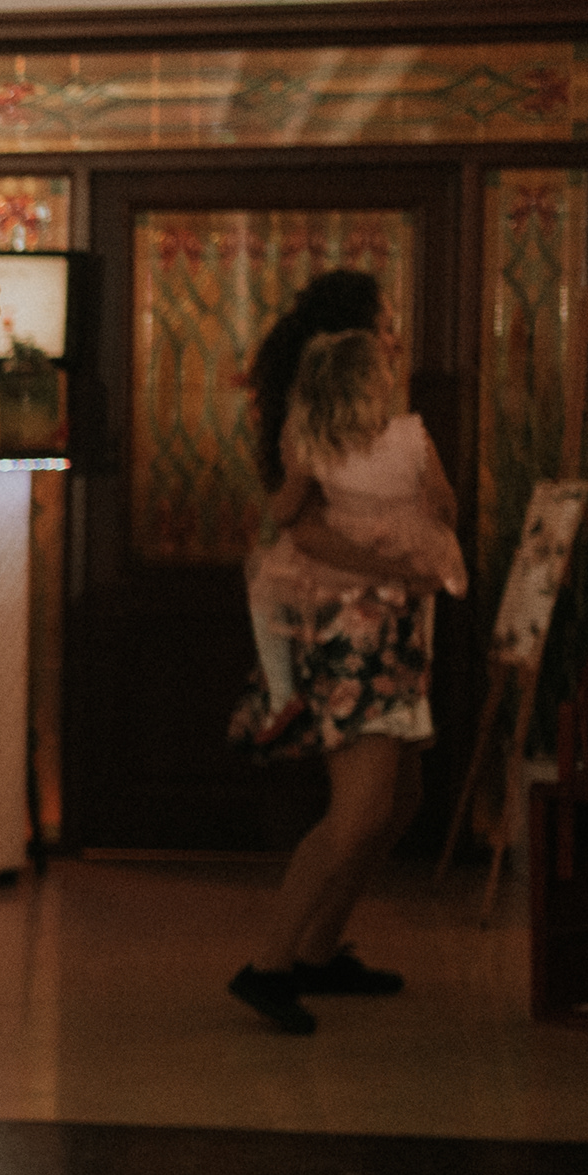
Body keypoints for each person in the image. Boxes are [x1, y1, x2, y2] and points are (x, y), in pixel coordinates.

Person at [226, 294, 467, 1035]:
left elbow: (294, 518)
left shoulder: (336, 442)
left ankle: (319, 948)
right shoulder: (358, 441)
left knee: (400, 799)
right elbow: (308, 531)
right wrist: (397, 560)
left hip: (389, 637)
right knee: (358, 809)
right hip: (357, 643)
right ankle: (269, 964)